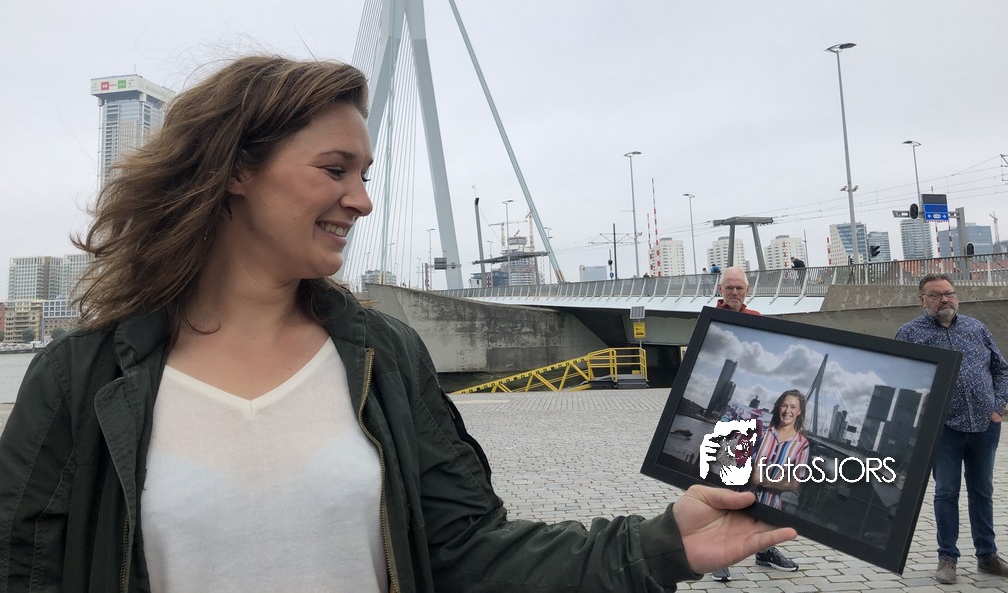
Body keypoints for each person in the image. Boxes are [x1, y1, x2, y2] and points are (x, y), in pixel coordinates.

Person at [0, 56, 795, 591]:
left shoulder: (382, 357)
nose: (363, 200)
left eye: (367, 174)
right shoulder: (82, 379)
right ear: (237, 170)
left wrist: (664, 544)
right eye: (335, 170)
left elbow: (469, 556)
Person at [896, 273, 1008, 584]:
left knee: (982, 491)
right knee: (946, 491)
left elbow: (1001, 369)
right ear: (923, 299)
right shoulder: (910, 333)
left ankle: (987, 556)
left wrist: (997, 407)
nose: (945, 299)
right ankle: (947, 558)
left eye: (949, 293)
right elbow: (902, 378)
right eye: (936, 295)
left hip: (984, 427)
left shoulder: (976, 328)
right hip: (943, 429)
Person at [709, 269, 801, 580]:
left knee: (763, 491)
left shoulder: (758, 320)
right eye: (729, 287)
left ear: (747, 290)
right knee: (724, 488)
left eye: (739, 287)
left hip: (757, 425)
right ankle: (718, 555)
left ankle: (764, 549)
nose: (734, 292)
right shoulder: (710, 321)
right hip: (731, 421)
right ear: (720, 289)